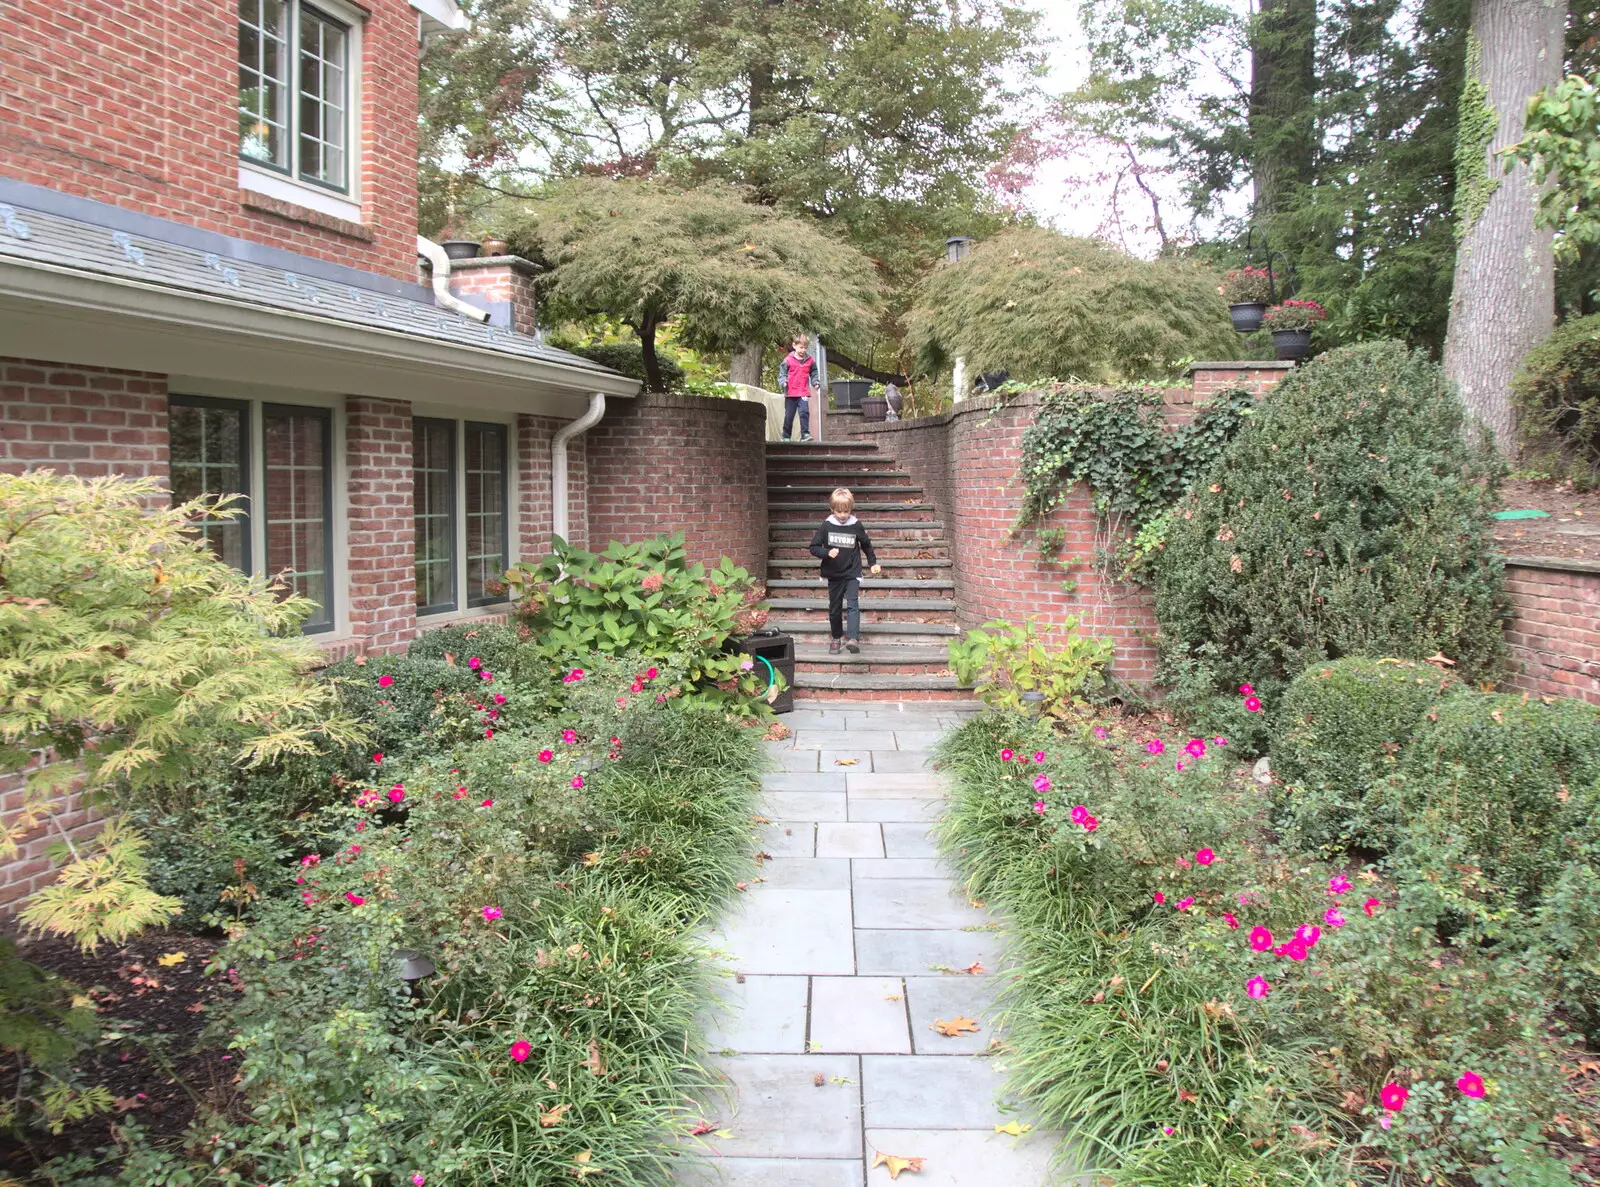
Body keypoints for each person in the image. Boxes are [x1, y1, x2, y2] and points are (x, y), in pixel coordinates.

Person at [808, 487, 880, 654]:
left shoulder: (856, 525)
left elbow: (866, 545)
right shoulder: (826, 526)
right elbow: (813, 547)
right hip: (834, 574)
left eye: (846, 511)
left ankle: (853, 638)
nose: (842, 515)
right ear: (832, 509)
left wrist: (873, 563)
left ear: (851, 509)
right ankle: (836, 637)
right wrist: (827, 553)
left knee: (853, 604)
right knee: (835, 607)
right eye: (839, 511)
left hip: (852, 572)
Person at [777, 334, 819, 442]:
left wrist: (815, 382)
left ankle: (805, 434)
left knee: (804, 412)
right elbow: (782, 374)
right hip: (791, 393)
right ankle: (786, 436)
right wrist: (783, 382)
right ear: (794, 346)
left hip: (803, 392)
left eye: (805, 348)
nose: (803, 350)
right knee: (789, 416)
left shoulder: (810, 360)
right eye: (801, 347)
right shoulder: (788, 360)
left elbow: (814, 373)